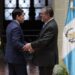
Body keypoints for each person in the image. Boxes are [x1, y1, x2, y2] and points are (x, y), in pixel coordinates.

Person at [23, 6, 59, 75]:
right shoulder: (48, 24)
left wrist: (31, 45)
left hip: (47, 59)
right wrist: (34, 49)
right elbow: (42, 40)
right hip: (44, 59)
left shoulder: (51, 26)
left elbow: (43, 41)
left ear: (48, 15)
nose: (40, 15)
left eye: (42, 14)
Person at [5, 8, 27, 75]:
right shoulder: (16, 27)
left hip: (10, 58)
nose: (24, 17)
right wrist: (26, 47)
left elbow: (17, 40)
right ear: (17, 16)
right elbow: (16, 42)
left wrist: (27, 44)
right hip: (17, 58)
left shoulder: (10, 25)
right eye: (23, 15)